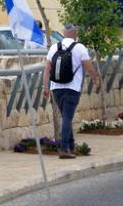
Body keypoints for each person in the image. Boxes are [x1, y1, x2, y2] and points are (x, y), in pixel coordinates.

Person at [42, 24, 99, 159]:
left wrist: (45, 88)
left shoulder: (54, 47)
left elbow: (47, 69)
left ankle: (71, 147)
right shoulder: (80, 48)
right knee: (67, 117)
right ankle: (64, 149)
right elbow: (89, 68)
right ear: (75, 34)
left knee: (66, 116)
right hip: (72, 88)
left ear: (63, 33)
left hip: (56, 88)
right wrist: (96, 80)